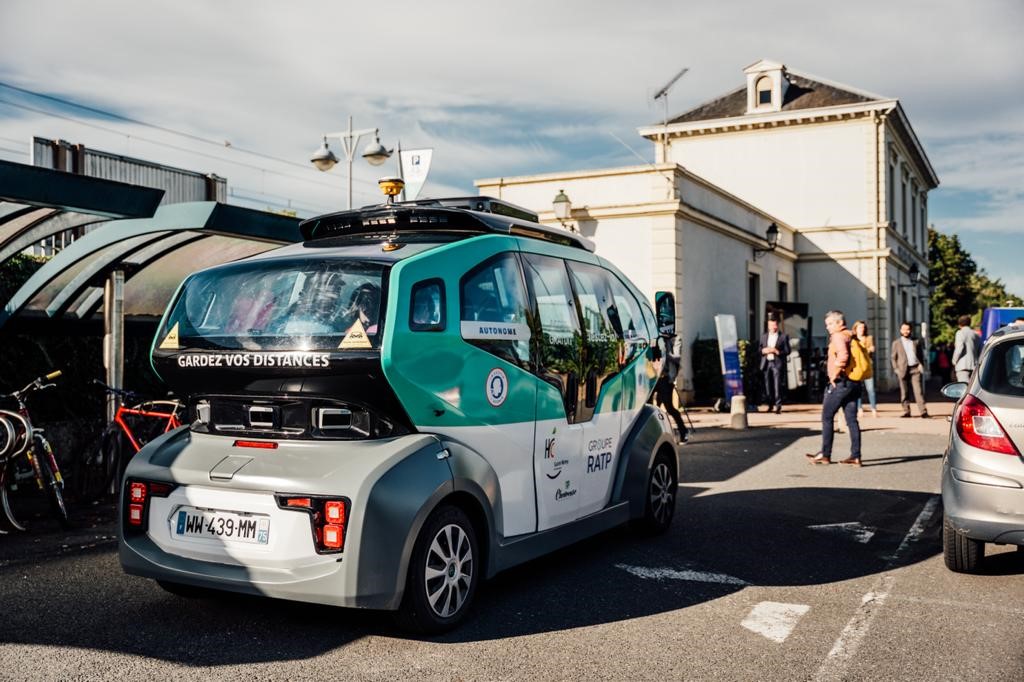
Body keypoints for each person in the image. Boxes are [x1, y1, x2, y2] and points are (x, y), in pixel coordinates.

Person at [806, 310, 862, 466]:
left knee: (827, 417)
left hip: (840, 383)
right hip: (853, 382)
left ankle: (825, 454)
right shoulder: (851, 335)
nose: (828, 327)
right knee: (852, 420)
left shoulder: (838, 336)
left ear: (840, 323)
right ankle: (856, 456)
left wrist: (834, 374)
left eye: (830, 323)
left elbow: (843, 356)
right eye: (827, 324)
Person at [653, 336, 688, 443]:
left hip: (665, 379)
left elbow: (677, 358)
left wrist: (665, 355)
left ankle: (683, 431)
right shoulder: (654, 337)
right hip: (652, 378)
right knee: (650, 408)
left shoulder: (675, 340)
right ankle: (655, 434)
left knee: (669, 408)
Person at [891, 321, 929, 418]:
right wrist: (896, 369)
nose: (906, 331)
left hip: (915, 368)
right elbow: (893, 357)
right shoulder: (896, 343)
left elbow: (921, 354)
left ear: (910, 330)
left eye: (907, 329)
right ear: (900, 330)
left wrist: (921, 365)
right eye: (904, 329)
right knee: (904, 392)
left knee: (918, 391)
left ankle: (923, 411)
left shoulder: (916, 341)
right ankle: (906, 411)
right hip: (902, 369)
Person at [758, 314, 790, 413]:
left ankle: (778, 405)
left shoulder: (783, 337)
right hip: (766, 363)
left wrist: (777, 351)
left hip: (777, 363)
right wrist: (763, 351)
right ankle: (770, 404)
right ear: (768, 326)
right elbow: (759, 349)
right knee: (768, 385)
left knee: (777, 385)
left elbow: (788, 350)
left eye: (775, 325)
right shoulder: (763, 336)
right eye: (771, 325)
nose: (773, 327)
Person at [852, 320, 877, 418]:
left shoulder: (869, 338)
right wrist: (867, 349)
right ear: (856, 329)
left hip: (867, 366)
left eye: (863, 327)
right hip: (857, 367)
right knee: (858, 389)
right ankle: (859, 409)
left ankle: (873, 409)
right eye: (860, 327)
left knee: (870, 389)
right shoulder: (853, 339)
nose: (862, 329)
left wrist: (867, 350)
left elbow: (872, 350)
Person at [952, 315, 981, 383]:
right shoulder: (976, 334)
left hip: (962, 366)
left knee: (963, 386)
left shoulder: (960, 333)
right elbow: (980, 350)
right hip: (974, 366)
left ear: (959, 324)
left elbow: (959, 348)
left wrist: (954, 361)